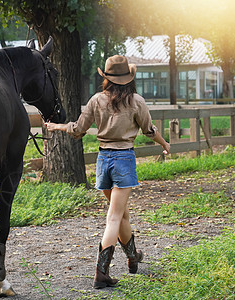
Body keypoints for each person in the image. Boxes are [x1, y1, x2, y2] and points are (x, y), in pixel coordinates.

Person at [45, 55, 170, 289]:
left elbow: (78, 129)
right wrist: (165, 144)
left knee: (122, 215)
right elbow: (149, 130)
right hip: (124, 159)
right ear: (128, 78)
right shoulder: (137, 101)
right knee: (114, 217)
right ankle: (101, 273)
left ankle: (133, 258)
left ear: (107, 78)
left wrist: (57, 126)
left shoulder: (96, 100)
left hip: (103, 160)